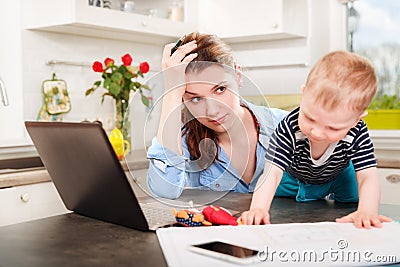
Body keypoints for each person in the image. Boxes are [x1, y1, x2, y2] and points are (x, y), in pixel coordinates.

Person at [240, 51, 392, 229]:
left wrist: (367, 211)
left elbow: (367, 175)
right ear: (303, 94)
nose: (317, 132)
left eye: (333, 128)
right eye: (310, 118)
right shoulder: (289, 127)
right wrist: (258, 209)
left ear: (357, 119)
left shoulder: (358, 131)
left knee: (354, 198)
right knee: (278, 197)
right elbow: (272, 173)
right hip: (293, 176)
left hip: (338, 175)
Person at [146, 32, 288, 199]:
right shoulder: (184, 138)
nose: (212, 111)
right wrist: (171, 93)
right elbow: (164, 191)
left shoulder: (286, 125)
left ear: (238, 75)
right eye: (196, 99)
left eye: (220, 89)